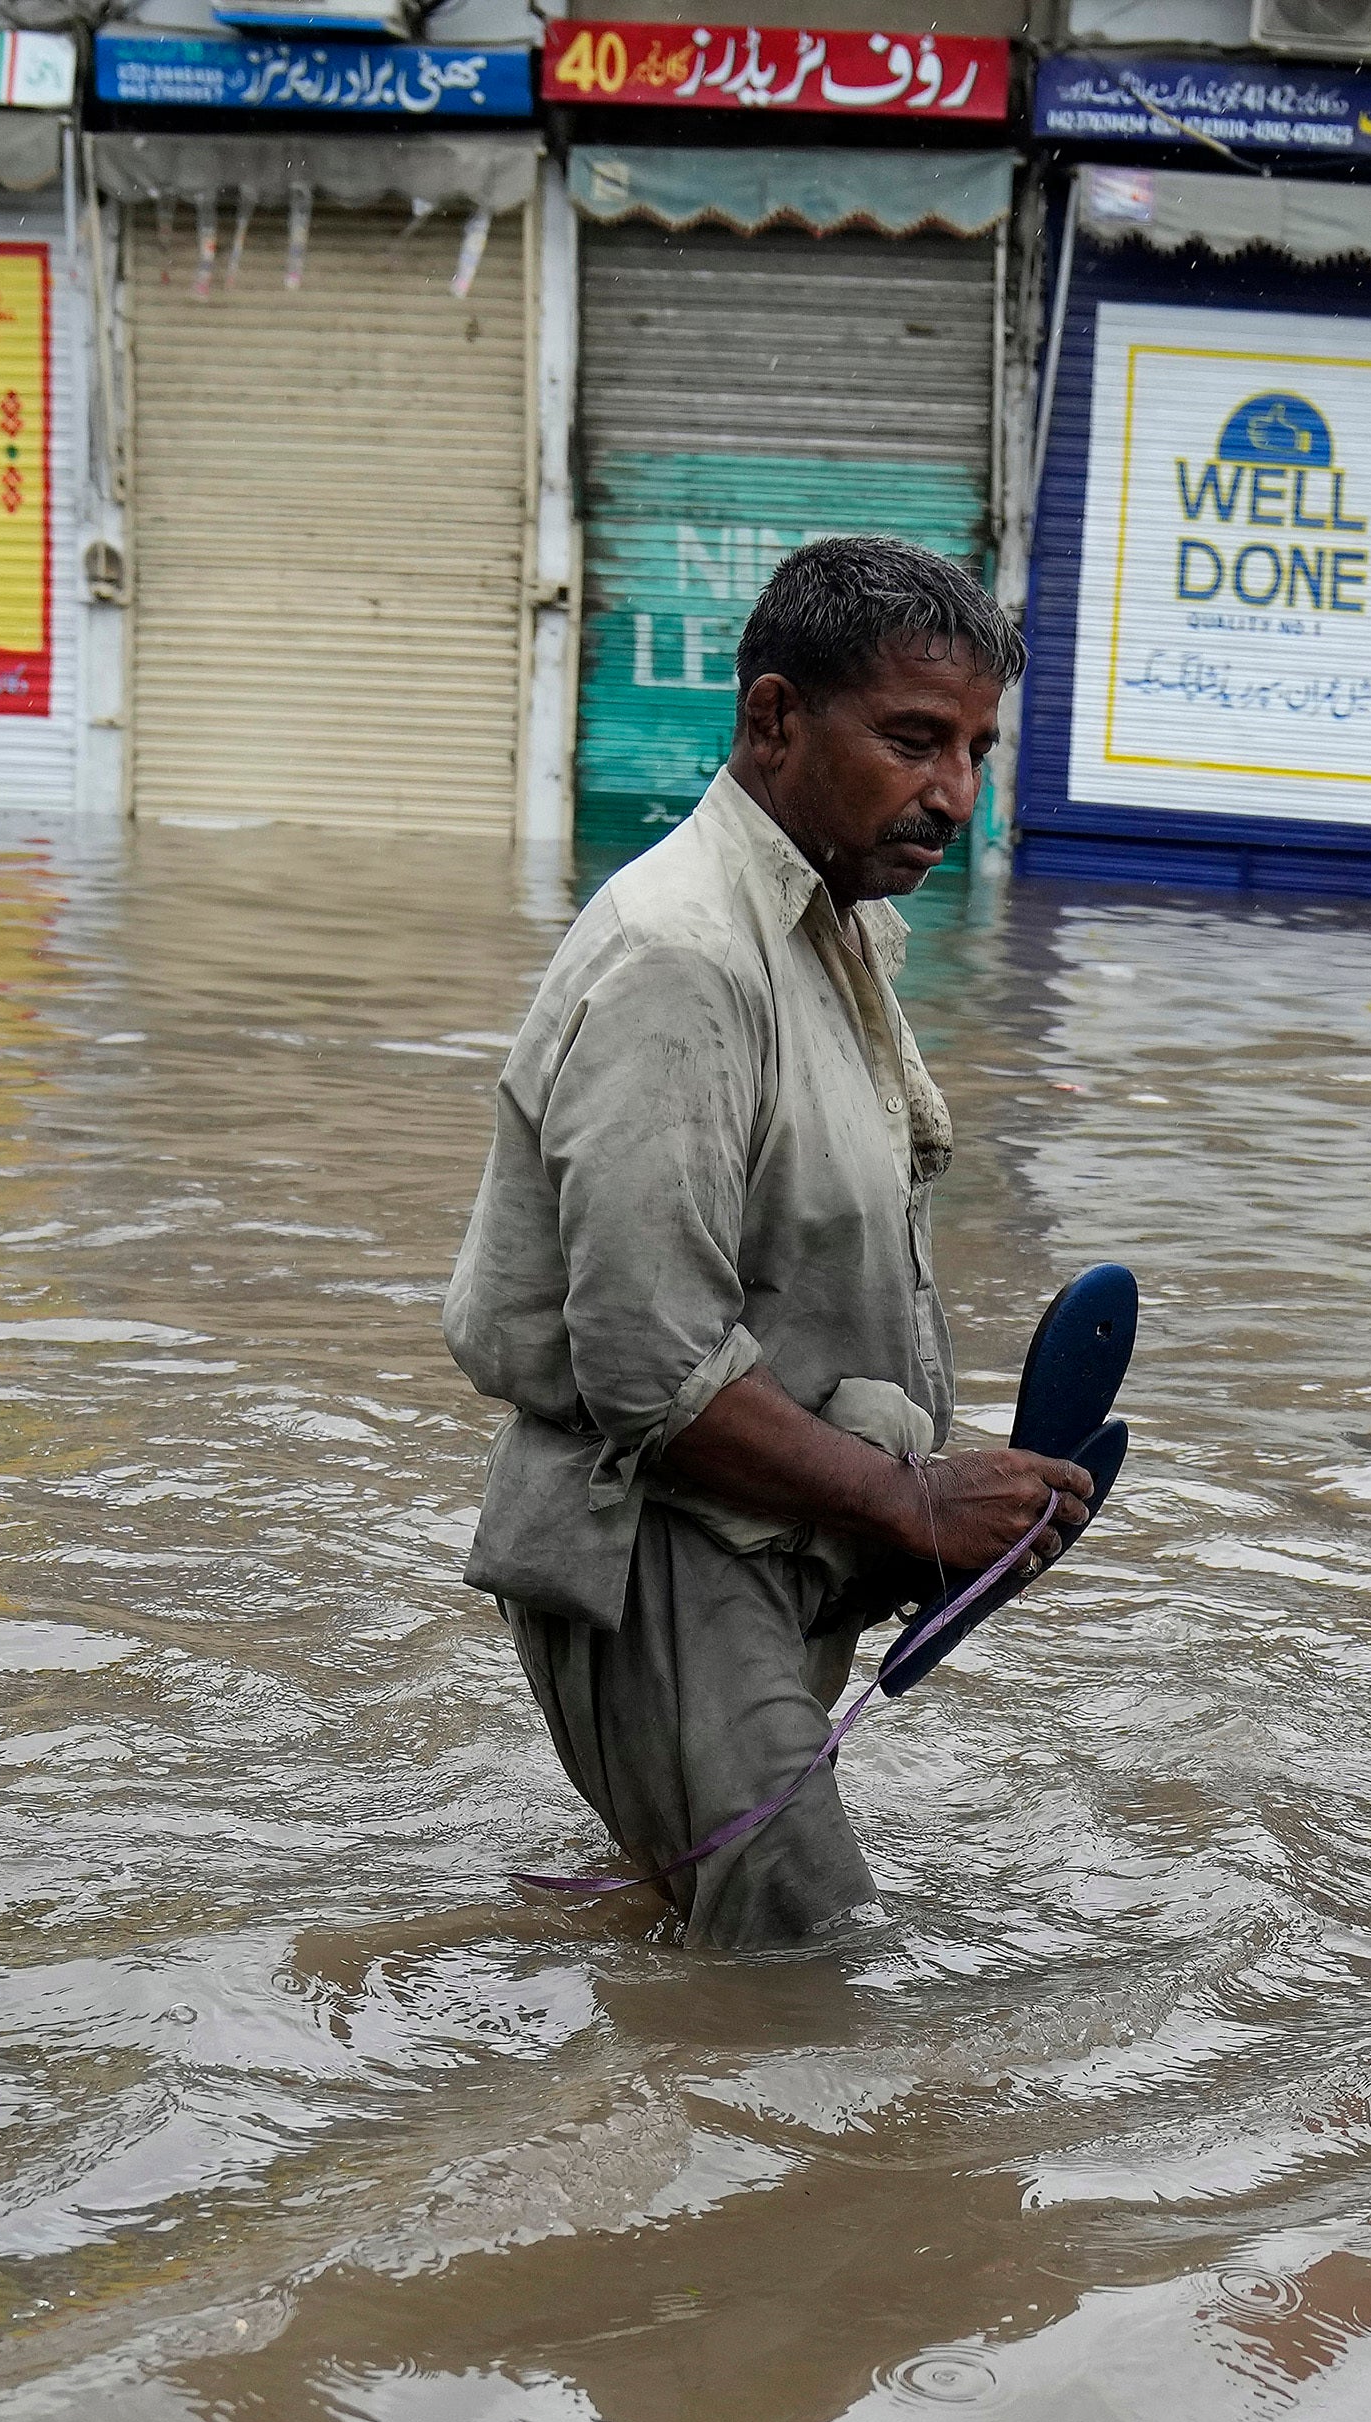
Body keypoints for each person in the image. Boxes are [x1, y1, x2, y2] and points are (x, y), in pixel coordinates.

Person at [445, 535, 1097, 1948]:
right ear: (775, 719)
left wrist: (944, 1493)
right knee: (806, 1977)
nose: (956, 796)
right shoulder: (682, 957)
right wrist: (916, 1505)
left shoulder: (835, 926)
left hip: (778, 1539)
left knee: (703, 1935)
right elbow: (651, 1382)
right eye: (916, 740)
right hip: (665, 1558)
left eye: (978, 749)